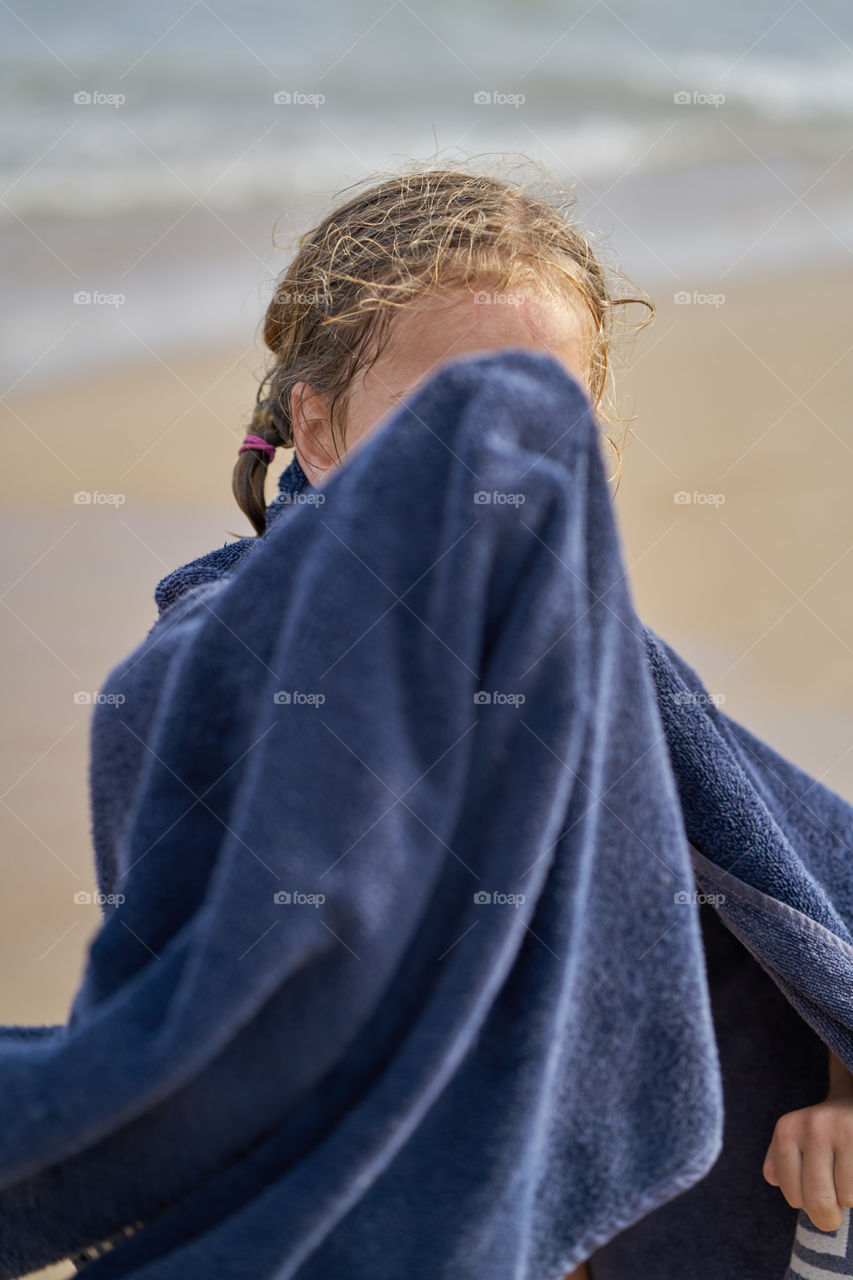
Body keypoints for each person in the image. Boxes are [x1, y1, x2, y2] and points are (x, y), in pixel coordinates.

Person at [230, 165, 853, 1275]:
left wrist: (840, 1090)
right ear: (318, 435)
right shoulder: (233, 683)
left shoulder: (603, 672)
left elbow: (811, 876)